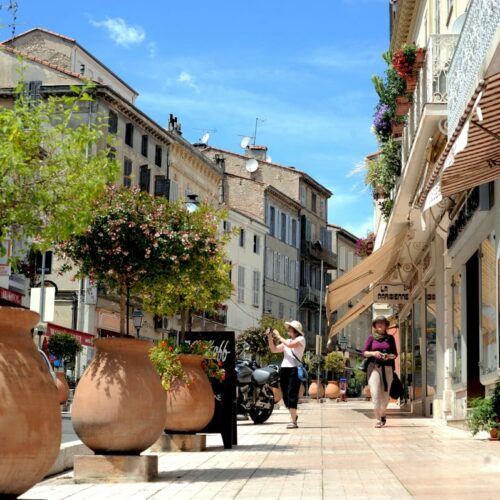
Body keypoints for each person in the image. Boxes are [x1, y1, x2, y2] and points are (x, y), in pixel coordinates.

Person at [266, 320, 306, 429]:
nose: (288, 329)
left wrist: (278, 335)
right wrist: (270, 337)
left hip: (294, 369)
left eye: (290, 328)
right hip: (284, 369)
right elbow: (274, 350)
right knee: (285, 394)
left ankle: (293, 421)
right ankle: (294, 415)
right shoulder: (286, 341)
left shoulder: (300, 339)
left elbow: (290, 345)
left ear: (295, 330)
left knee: (292, 393)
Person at [362, 316, 398, 428]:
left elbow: (395, 354)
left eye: (382, 323)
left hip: (387, 367)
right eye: (377, 323)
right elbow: (364, 352)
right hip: (374, 367)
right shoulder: (371, 338)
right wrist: (373, 353)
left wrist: (388, 356)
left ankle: (383, 413)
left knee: (386, 396)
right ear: (374, 326)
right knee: (375, 393)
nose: (379, 325)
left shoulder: (390, 338)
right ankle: (378, 419)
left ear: (386, 326)